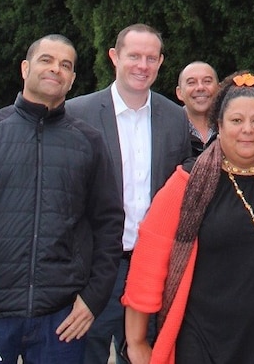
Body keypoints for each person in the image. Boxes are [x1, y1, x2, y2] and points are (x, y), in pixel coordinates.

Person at [121, 71, 254, 364]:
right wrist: (136, 342)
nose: (247, 129)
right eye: (236, 120)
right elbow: (148, 264)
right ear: (219, 125)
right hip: (206, 344)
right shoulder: (186, 182)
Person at [0, 35, 124, 364]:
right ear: (25, 68)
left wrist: (93, 298)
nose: (56, 69)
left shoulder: (89, 142)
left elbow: (108, 225)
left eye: (65, 65)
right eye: (46, 60)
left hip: (61, 319)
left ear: (72, 80)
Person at [65, 24, 191, 364]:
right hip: (95, 267)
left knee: (143, 354)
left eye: (151, 58)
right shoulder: (78, 114)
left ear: (161, 62)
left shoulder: (176, 118)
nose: (142, 65)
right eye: (134, 56)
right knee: (83, 352)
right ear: (114, 57)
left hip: (151, 267)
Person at [176, 61, 219, 157]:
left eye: (207, 81)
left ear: (219, 89)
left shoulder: (230, 128)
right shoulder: (168, 129)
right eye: (191, 83)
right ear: (179, 93)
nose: (200, 87)